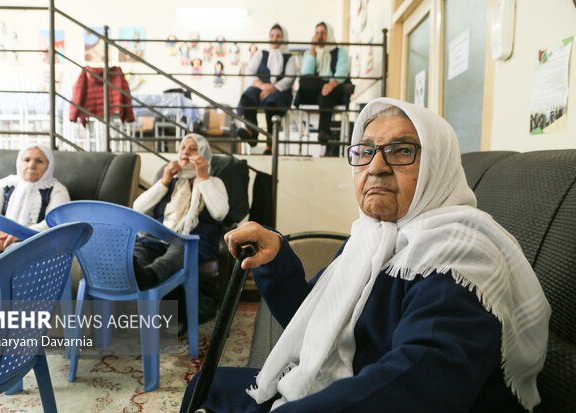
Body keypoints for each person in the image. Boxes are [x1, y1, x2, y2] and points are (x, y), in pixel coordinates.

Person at [181, 98, 550, 413]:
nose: (376, 166)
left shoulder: (459, 255)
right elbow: (320, 322)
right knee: (205, 386)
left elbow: (418, 382)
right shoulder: (374, 236)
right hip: (346, 381)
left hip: (373, 396)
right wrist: (278, 261)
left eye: (402, 150)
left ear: (437, 167)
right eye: (365, 151)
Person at [132, 134, 229, 320]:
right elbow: (138, 208)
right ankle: (134, 284)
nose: (186, 152)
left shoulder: (214, 182)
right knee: (138, 250)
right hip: (156, 239)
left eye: (193, 149)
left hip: (191, 242)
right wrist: (164, 181)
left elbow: (219, 213)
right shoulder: (170, 181)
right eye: (183, 148)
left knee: (180, 248)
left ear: (204, 155)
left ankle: (149, 277)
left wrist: (203, 177)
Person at [0, 144, 70, 255]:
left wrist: (19, 234)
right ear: (19, 162)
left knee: (15, 253)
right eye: (26, 160)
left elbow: (53, 223)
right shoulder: (3, 184)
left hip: (34, 240)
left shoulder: (58, 190)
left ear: (49, 165)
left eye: (39, 161)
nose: (31, 165)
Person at [237, 23, 296, 155]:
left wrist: (271, 89)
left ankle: (270, 145)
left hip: (280, 92)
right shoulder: (260, 53)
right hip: (260, 88)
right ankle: (252, 132)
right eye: (272, 35)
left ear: (284, 38)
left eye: (278, 36)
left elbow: (289, 78)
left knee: (271, 104)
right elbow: (249, 72)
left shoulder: (289, 57)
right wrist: (262, 86)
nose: (274, 38)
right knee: (247, 97)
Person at [297, 21, 351, 155]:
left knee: (326, 94)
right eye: (317, 33)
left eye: (323, 33)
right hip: (316, 89)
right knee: (304, 80)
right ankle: (324, 131)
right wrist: (312, 50)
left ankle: (323, 132)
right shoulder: (310, 52)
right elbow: (306, 73)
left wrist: (331, 84)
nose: (319, 36)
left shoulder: (340, 51)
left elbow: (342, 71)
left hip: (334, 88)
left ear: (329, 34)